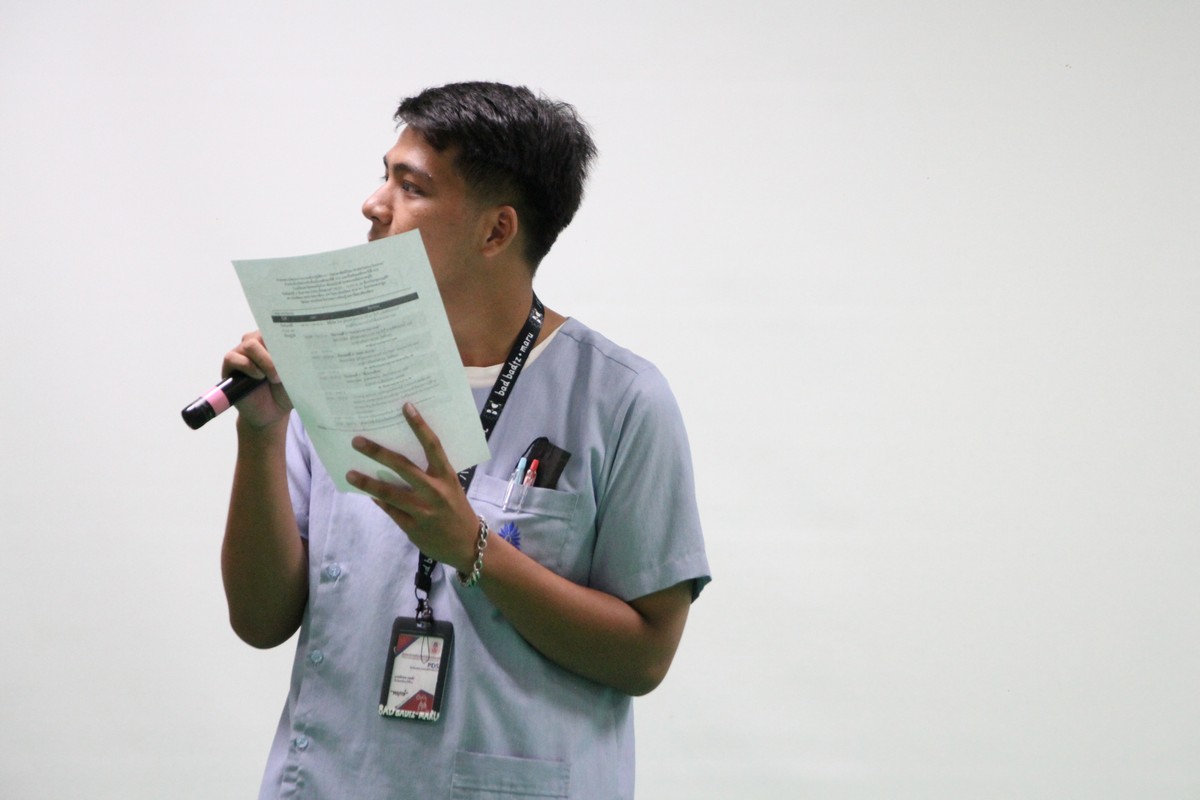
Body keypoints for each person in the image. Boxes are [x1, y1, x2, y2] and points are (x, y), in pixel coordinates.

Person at [219, 81, 710, 799]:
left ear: (496, 231)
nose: (374, 203)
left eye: (411, 186)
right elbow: (259, 622)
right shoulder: (336, 367)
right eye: (385, 175)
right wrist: (261, 435)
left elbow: (645, 657)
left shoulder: (621, 399)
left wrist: (473, 548)